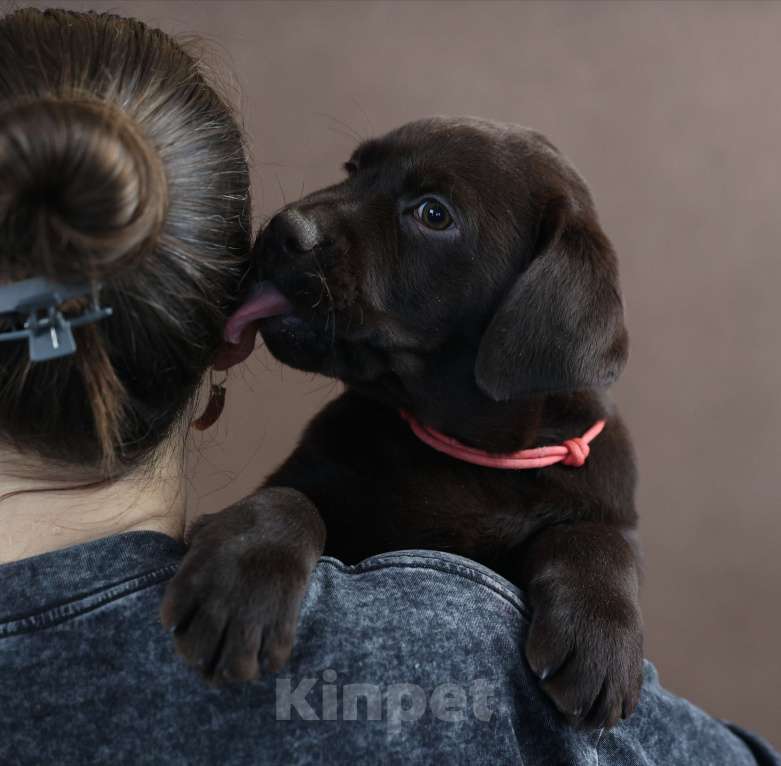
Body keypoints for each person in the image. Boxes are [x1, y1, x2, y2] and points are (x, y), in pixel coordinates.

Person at [0, 8, 777, 765]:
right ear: (218, 335)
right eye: (358, 176)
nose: (307, 220)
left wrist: (595, 558)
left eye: (429, 213)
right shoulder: (456, 666)